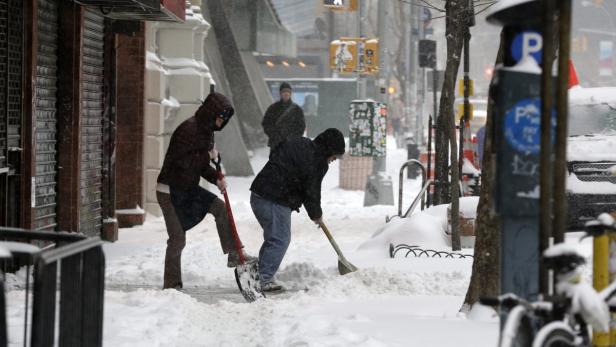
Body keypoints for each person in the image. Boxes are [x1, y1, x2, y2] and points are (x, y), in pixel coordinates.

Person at [156, 92, 254, 290]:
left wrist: (217, 177)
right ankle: (171, 285)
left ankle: (235, 252)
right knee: (177, 239)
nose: (221, 122)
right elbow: (183, 163)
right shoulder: (188, 130)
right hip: (170, 190)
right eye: (220, 117)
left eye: (225, 119)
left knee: (219, 208)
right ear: (211, 113)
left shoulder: (206, 131)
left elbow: (199, 166)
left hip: (188, 188)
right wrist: (206, 155)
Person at [250, 128, 346, 292]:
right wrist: (316, 214)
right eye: (335, 155)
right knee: (280, 240)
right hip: (274, 199)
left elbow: (277, 149)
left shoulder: (300, 142)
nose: (334, 160)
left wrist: (282, 175)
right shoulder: (317, 162)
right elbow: (311, 191)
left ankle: (257, 274)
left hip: (259, 193)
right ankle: (262, 279)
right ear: (329, 150)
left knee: (274, 238)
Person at [262, 82, 306, 152]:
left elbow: (301, 126)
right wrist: (274, 135)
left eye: (288, 91)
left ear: (290, 94)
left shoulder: (297, 109)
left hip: (291, 145)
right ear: (280, 93)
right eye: (284, 91)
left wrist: (292, 138)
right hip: (276, 144)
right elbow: (266, 123)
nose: (286, 93)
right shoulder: (273, 108)